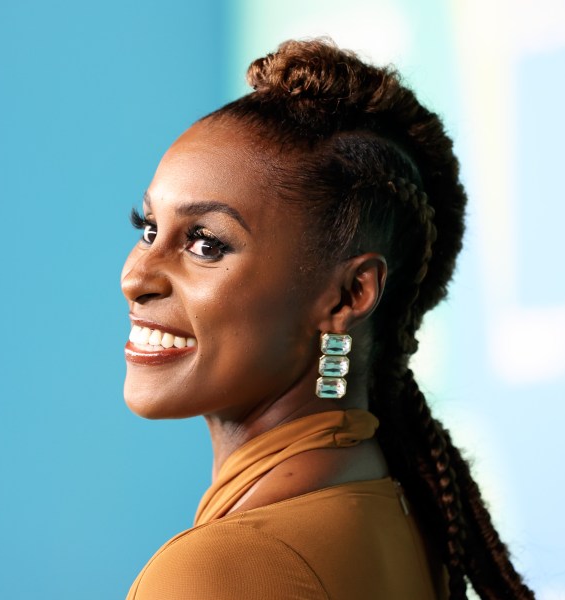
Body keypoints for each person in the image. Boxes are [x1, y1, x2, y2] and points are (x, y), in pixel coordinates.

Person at [121, 39, 534, 600]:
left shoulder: (218, 573)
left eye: (205, 244)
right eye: (148, 228)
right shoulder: (407, 513)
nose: (136, 277)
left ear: (348, 295)